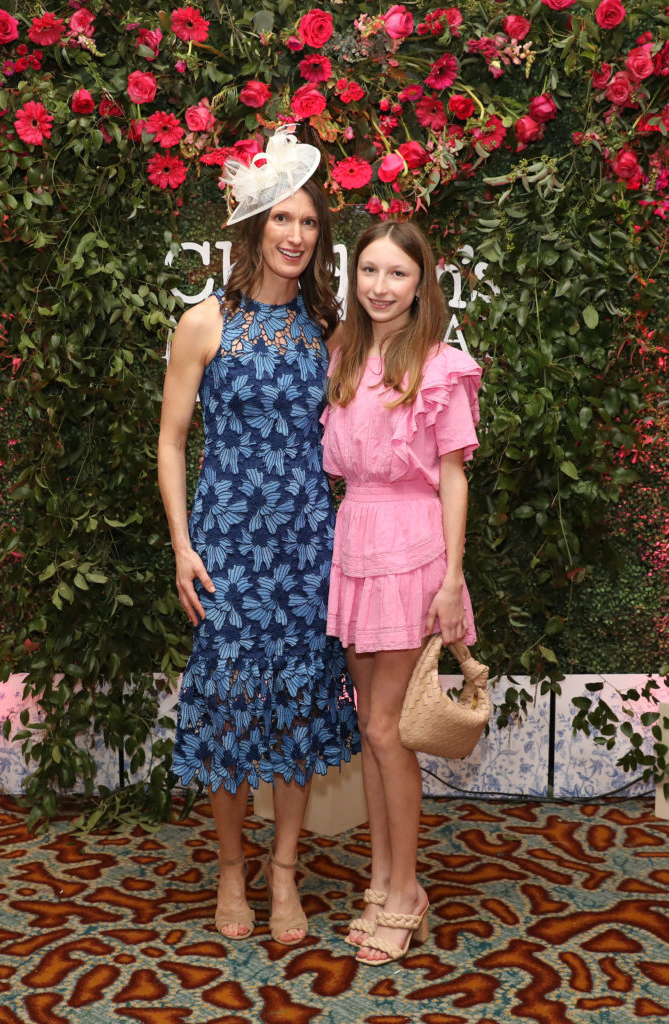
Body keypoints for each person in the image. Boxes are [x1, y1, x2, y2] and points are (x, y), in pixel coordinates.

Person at [158, 127, 359, 945]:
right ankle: (231, 873)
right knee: (233, 706)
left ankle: (283, 874)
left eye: (308, 222)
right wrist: (182, 547)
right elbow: (172, 440)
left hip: (307, 546)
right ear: (253, 225)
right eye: (282, 218)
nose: (295, 234)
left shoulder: (329, 328)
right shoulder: (203, 322)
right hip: (227, 548)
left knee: (298, 706)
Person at [320, 221, 482, 965]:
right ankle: (382, 880)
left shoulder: (440, 366)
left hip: (411, 551)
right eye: (369, 271)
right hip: (355, 540)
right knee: (370, 728)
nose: (380, 287)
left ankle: (406, 889)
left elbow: (453, 476)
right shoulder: (345, 356)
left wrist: (451, 578)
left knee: (386, 729)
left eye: (397, 274)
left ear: (422, 285)